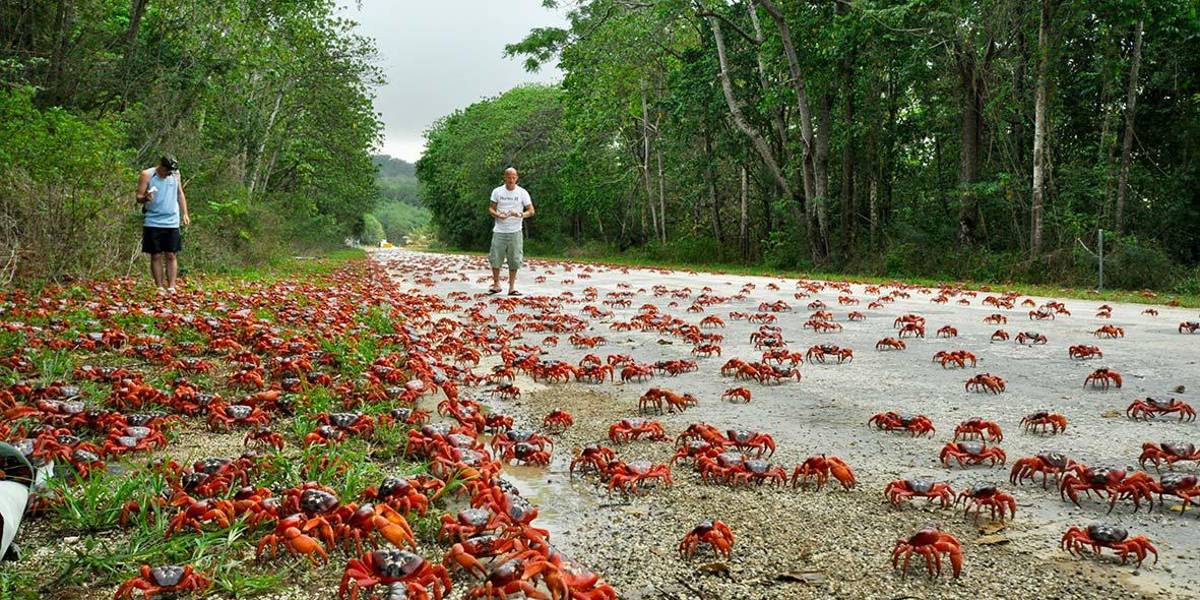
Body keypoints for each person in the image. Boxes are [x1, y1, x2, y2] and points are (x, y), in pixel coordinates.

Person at [135, 156, 190, 293]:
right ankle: (159, 286)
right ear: (161, 166)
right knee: (156, 255)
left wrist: (185, 213)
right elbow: (139, 197)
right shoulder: (147, 174)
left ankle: (171, 286)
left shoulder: (175, 174)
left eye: (171, 171)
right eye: (167, 171)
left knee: (171, 254)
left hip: (171, 220)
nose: (168, 174)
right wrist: (146, 197)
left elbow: (180, 193)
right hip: (153, 220)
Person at [487, 167, 535, 295]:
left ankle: (512, 287)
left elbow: (531, 211)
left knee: (514, 259)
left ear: (517, 178)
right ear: (505, 178)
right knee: (496, 257)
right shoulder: (497, 191)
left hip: (515, 230)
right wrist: (498, 215)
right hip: (499, 230)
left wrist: (520, 214)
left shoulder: (522, 193)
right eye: (509, 177)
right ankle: (496, 284)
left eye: (513, 177)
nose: (511, 180)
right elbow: (491, 209)